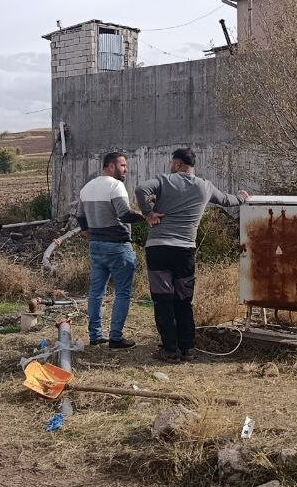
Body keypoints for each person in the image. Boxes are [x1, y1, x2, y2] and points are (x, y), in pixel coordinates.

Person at [135, 147, 249, 362]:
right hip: (185, 250)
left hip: (158, 248)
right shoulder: (205, 186)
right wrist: (242, 198)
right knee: (183, 300)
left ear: (177, 164)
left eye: (172, 163)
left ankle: (170, 350)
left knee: (162, 300)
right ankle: (187, 348)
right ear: (192, 166)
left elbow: (141, 189)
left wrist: (148, 213)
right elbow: (226, 200)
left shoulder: (164, 181)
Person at [77, 151, 146, 349]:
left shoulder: (87, 187)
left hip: (96, 246)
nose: (126, 169)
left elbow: (80, 216)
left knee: (96, 292)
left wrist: (86, 232)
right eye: (123, 165)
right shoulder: (116, 186)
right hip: (117, 246)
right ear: (111, 166)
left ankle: (95, 335)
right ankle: (116, 337)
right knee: (123, 292)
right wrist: (145, 216)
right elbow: (124, 215)